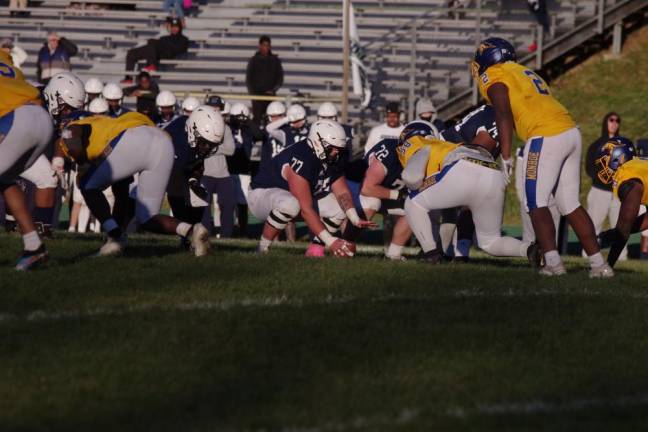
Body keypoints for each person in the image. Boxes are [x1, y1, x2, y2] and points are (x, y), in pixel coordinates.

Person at [473, 37, 611, 277]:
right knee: (570, 204)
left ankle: (553, 263)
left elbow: (503, 113)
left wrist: (505, 156)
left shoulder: (493, 75)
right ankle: (600, 265)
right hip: (569, 130)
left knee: (535, 201)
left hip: (545, 135)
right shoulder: (523, 71)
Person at [57, 110, 217, 256]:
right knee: (147, 217)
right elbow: (121, 192)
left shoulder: (75, 126)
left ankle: (114, 237)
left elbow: (72, 133)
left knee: (86, 184)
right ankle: (192, 231)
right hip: (162, 141)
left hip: (133, 138)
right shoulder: (114, 122)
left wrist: (81, 164)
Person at [401, 120, 540, 265]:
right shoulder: (446, 145)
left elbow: (411, 177)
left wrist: (415, 188)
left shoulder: (418, 144)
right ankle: (530, 250)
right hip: (493, 171)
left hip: (463, 167)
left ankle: (430, 254)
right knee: (490, 242)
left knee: (413, 202)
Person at [249, 119, 374, 256]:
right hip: (261, 196)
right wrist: (331, 241)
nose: (335, 153)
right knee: (290, 204)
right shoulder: (302, 157)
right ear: (317, 142)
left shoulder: (334, 156)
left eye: (338, 149)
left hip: (292, 200)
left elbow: (342, 192)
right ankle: (262, 248)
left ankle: (315, 250)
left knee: (338, 208)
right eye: (332, 148)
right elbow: (306, 209)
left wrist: (354, 217)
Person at [0, 47, 54, 270]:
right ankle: (34, 246)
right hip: (41, 118)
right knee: (4, 180)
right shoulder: (8, 65)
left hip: (15, 119)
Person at [585, 113, 634, 261]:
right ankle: (588, 255)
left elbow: (631, 166)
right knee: (593, 225)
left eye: (617, 121)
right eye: (611, 120)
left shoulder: (625, 145)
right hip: (599, 192)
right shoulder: (596, 145)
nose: (614, 123)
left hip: (618, 193)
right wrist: (605, 180)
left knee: (621, 226)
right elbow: (589, 168)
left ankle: (621, 257)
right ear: (605, 122)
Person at [595, 140, 648, 267]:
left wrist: (608, 265)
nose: (604, 167)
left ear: (618, 157)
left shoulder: (627, 175)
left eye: (606, 160)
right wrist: (613, 233)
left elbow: (625, 225)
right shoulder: (639, 166)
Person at [200, 95, 236, 237]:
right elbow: (200, 149)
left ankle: (227, 235)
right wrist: (218, 147)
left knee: (228, 204)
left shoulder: (225, 128)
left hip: (223, 173)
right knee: (203, 205)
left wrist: (212, 148)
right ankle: (204, 234)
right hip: (205, 173)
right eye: (212, 107)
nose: (215, 110)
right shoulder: (201, 125)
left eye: (218, 108)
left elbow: (231, 150)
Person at [226, 103, 263, 237]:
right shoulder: (228, 128)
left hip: (244, 171)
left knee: (242, 204)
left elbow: (260, 135)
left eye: (243, 118)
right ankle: (227, 230)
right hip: (229, 170)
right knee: (228, 203)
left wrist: (248, 121)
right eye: (238, 118)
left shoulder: (249, 129)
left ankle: (242, 231)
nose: (240, 121)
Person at [122, 18, 189, 83]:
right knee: (132, 53)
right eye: (172, 27)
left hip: (167, 53)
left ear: (180, 28)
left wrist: (161, 44)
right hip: (154, 52)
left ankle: (152, 65)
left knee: (153, 43)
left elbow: (179, 50)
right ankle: (128, 78)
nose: (174, 29)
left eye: (176, 27)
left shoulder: (183, 39)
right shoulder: (164, 38)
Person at [246, 35, 284, 125]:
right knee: (257, 120)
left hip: (270, 96)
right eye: (264, 45)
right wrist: (253, 94)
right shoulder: (254, 60)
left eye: (268, 45)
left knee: (271, 119)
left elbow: (280, 78)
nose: (266, 47)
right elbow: (249, 79)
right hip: (257, 97)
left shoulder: (275, 60)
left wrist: (273, 90)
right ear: (260, 46)